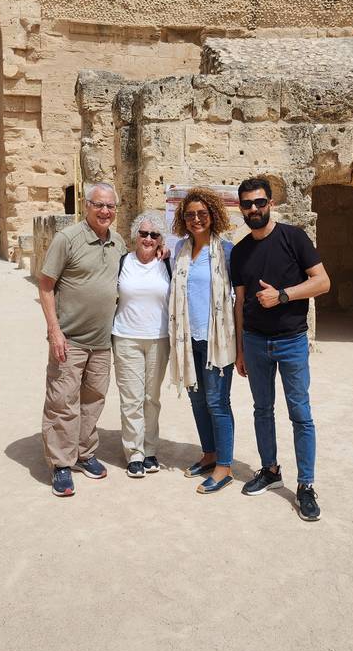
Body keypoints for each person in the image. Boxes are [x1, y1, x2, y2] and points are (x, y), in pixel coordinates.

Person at [230, 176, 330, 521]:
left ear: (270, 203)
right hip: (256, 342)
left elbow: (322, 281)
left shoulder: (293, 238)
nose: (254, 209)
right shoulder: (240, 251)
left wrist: (283, 295)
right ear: (241, 208)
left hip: (291, 341)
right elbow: (239, 304)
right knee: (262, 410)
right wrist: (240, 349)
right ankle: (270, 470)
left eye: (259, 202)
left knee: (300, 413)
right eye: (247, 204)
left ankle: (305, 486)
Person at [39, 182, 127, 497]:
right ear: (86, 205)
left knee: (93, 400)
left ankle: (84, 453)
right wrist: (54, 331)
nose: (105, 211)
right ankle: (61, 464)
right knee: (62, 402)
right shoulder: (68, 239)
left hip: (102, 341)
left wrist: (160, 250)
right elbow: (46, 284)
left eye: (110, 206)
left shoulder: (118, 242)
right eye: (98, 205)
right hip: (70, 339)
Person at [169, 187, 236, 495]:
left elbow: (240, 296)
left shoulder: (226, 251)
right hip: (188, 339)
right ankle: (209, 454)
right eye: (190, 214)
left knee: (217, 402)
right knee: (198, 400)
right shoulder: (179, 251)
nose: (196, 219)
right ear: (183, 218)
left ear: (213, 216)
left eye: (202, 214)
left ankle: (224, 466)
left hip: (216, 340)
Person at [112, 211, 171, 479]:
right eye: (143, 233)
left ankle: (149, 450)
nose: (148, 238)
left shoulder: (167, 263)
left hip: (159, 338)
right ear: (136, 235)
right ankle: (134, 453)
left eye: (154, 235)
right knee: (131, 399)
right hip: (126, 337)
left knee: (151, 399)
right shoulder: (123, 261)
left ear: (160, 240)